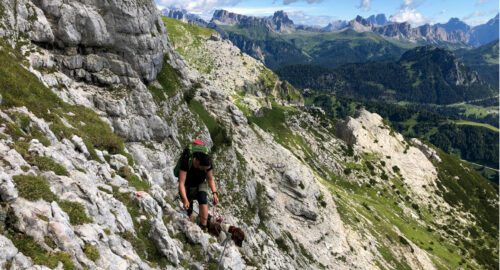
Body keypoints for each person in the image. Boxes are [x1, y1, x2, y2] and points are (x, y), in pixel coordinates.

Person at [178, 150, 218, 232]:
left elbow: (210, 179)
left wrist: (214, 193)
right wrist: (185, 200)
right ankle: (190, 226)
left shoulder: (207, 163)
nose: (204, 170)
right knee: (189, 209)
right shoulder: (186, 161)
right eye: (203, 168)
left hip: (200, 182)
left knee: (203, 199)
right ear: (197, 161)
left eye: (206, 169)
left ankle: (203, 227)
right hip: (187, 184)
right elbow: (181, 183)